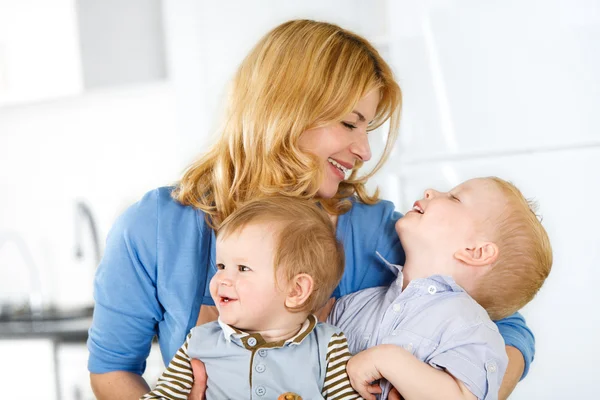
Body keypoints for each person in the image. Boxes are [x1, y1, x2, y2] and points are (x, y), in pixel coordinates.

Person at [87, 19, 534, 400]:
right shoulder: (154, 228)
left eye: (368, 128)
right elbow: (111, 371)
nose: (362, 150)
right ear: (284, 108)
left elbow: (504, 327)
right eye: (348, 123)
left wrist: (457, 387)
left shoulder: (379, 232)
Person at [329, 177, 552, 400]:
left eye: (454, 198)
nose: (429, 191)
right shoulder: (355, 305)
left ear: (476, 252)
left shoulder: (473, 330)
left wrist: (388, 360)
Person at [140, 196, 361, 399]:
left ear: (296, 290)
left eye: (243, 268)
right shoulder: (199, 341)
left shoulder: (328, 345)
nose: (223, 279)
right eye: (221, 266)